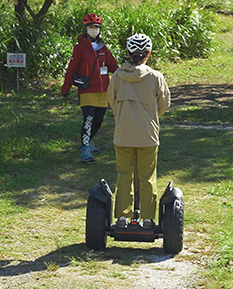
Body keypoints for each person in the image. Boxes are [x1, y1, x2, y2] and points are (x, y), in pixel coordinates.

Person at [107, 33, 171, 229]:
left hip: (123, 134)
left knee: (124, 175)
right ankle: (148, 219)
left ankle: (122, 217)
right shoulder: (155, 77)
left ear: (128, 53)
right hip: (147, 136)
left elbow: (111, 101)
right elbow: (164, 104)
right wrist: (150, 116)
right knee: (147, 177)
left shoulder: (117, 76)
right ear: (148, 54)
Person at [61, 14, 119, 163]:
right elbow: (72, 68)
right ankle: (85, 148)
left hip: (103, 91)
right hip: (87, 90)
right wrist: (65, 88)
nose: (94, 30)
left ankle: (89, 142)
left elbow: (113, 66)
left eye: (96, 27)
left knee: (98, 120)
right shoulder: (79, 48)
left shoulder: (103, 48)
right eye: (91, 27)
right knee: (88, 119)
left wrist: (128, 74)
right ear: (86, 29)